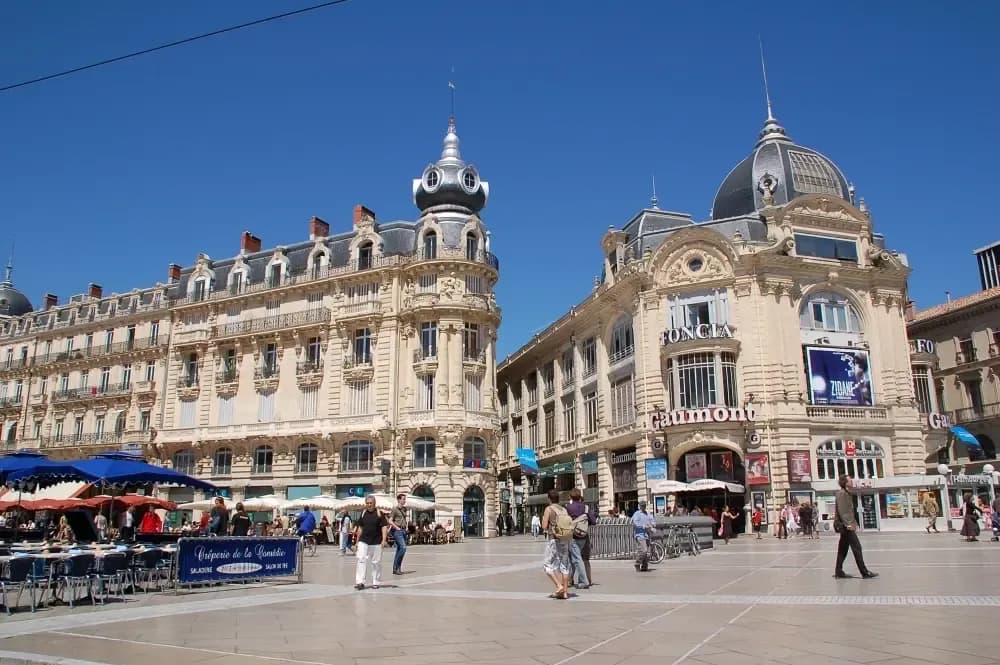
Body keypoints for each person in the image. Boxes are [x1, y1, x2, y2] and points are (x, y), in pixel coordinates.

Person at [833, 475, 877, 579]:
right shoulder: (842, 494)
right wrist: (849, 524)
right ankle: (864, 572)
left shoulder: (847, 493)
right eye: (850, 480)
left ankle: (838, 571)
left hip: (846, 525)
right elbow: (843, 511)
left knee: (843, 549)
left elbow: (849, 511)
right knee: (857, 547)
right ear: (845, 482)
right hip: (846, 526)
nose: (852, 481)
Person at [540, 489, 572, 599]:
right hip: (565, 539)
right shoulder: (564, 509)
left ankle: (559, 585)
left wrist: (545, 520)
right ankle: (565, 593)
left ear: (549, 499)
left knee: (547, 565)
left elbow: (544, 526)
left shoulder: (549, 509)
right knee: (564, 565)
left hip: (554, 539)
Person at [353, 495, 388, 590]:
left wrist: (384, 540)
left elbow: (384, 527)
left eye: (371, 503)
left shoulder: (380, 513)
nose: (369, 505)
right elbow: (360, 528)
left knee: (376, 562)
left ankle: (375, 582)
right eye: (367, 503)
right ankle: (360, 582)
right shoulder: (363, 513)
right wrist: (357, 541)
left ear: (374, 503)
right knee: (361, 559)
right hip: (363, 540)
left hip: (376, 541)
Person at [565, 488, 594, 589]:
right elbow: (593, 521)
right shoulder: (586, 507)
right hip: (584, 536)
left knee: (576, 558)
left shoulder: (568, 508)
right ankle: (569, 580)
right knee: (576, 558)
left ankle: (583, 581)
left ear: (571, 497)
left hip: (573, 536)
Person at [631, 500, 656, 572]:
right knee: (644, 550)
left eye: (644, 505)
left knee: (645, 551)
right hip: (640, 534)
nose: (643, 507)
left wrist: (652, 525)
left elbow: (653, 522)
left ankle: (644, 566)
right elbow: (635, 523)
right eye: (642, 505)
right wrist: (644, 526)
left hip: (647, 535)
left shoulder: (648, 514)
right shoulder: (637, 514)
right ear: (639, 506)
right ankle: (637, 563)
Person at [388, 494, 409, 575]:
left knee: (399, 549)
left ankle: (396, 568)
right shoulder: (394, 509)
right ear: (399, 500)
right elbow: (390, 521)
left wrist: (406, 528)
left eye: (405, 499)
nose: (404, 500)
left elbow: (404, 519)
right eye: (403, 499)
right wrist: (397, 527)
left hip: (403, 530)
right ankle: (397, 568)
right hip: (397, 531)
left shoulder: (404, 509)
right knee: (403, 548)